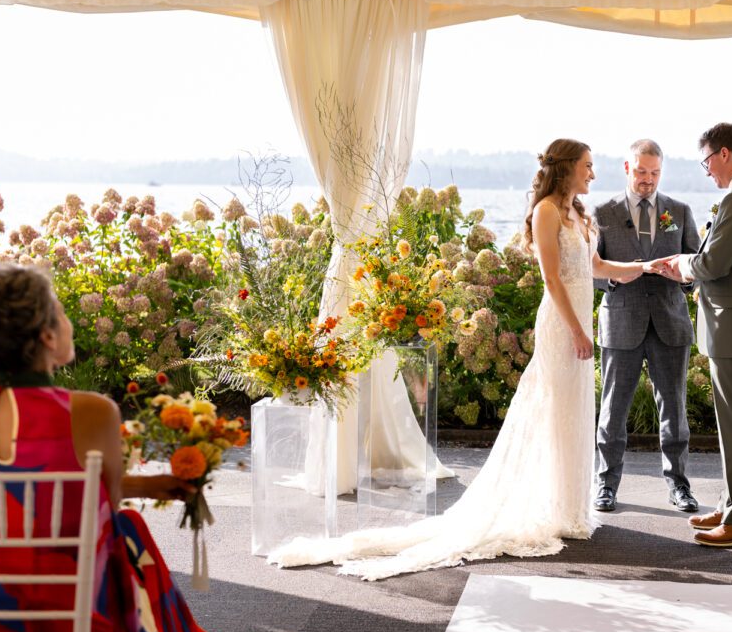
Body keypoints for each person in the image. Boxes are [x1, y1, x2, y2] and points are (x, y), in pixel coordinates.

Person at [270, 139, 651, 580]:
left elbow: (595, 265)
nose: (593, 173)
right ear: (566, 168)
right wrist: (578, 331)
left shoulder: (581, 215)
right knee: (552, 409)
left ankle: (568, 506)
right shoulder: (547, 211)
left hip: (579, 323)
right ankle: (549, 504)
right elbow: (552, 278)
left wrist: (641, 267)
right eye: (587, 166)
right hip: (562, 325)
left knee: (572, 410)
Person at [0, 264, 257, 632]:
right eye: (61, 313)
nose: (68, 323)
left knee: (123, 532)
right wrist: (142, 488)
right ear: (44, 336)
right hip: (70, 623)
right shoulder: (89, 412)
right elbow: (105, 508)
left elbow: (28, 495)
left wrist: (150, 485)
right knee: (128, 533)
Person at [654, 123, 732, 548]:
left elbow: (715, 264)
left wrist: (683, 265)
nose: (707, 171)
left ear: (724, 154)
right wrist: (691, 261)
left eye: (707, 161)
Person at [592, 139, 701, 513]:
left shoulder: (680, 211)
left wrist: (683, 278)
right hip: (621, 321)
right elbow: (588, 270)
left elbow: (696, 267)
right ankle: (605, 485)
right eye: (641, 172)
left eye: (654, 173)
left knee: (675, 409)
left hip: (670, 323)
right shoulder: (602, 213)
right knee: (613, 409)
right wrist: (614, 278)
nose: (648, 180)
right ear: (627, 168)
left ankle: (679, 486)